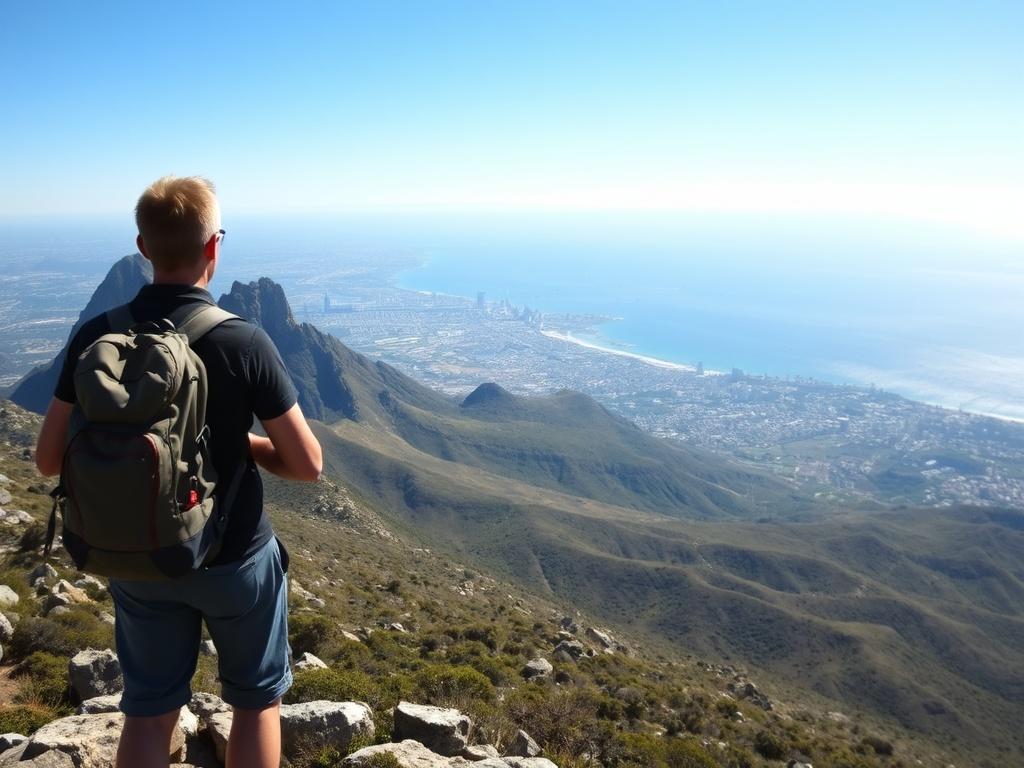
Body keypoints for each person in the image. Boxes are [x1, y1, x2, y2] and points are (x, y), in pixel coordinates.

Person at [34, 175, 322, 768]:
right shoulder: (244, 341)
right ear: (214, 246)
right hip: (236, 557)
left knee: (149, 711)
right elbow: (306, 464)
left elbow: (46, 459)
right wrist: (238, 443)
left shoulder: (97, 336)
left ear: (142, 247)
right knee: (256, 703)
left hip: (137, 554)